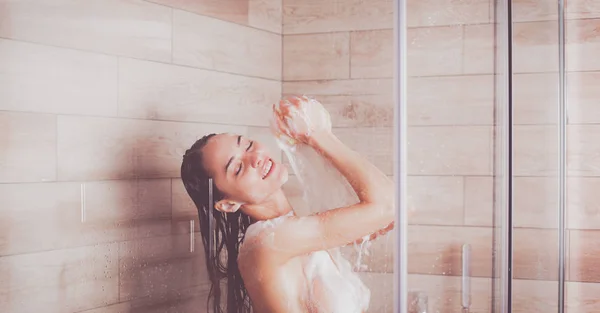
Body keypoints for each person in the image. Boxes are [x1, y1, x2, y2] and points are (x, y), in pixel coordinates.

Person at [180, 96, 395, 313]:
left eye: (248, 145)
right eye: (237, 168)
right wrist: (317, 134)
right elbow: (388, 206)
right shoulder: (268, 243)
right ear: (228, 205)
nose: (255, 158)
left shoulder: (287, 231)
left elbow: (392, 208)